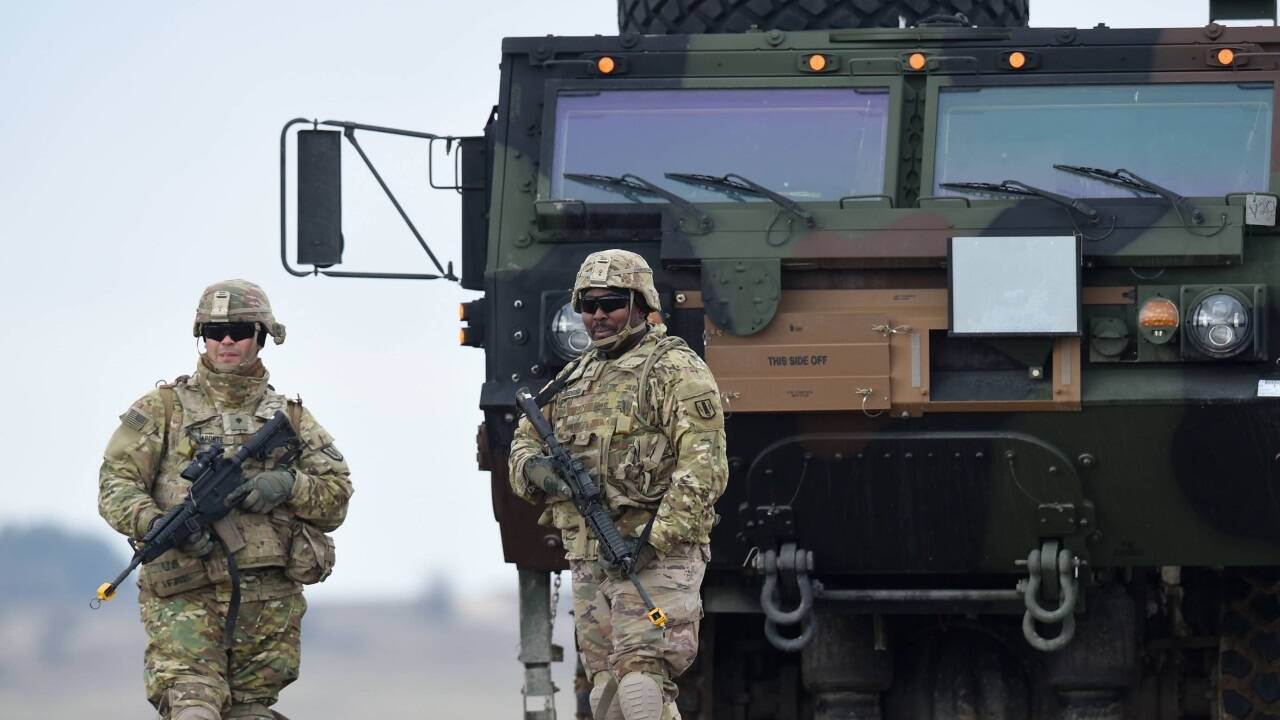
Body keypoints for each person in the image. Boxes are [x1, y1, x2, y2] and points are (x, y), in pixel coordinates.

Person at [98, 279, 352, 720]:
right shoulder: (163, 409)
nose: (227, 341)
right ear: (202, 339)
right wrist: (152, 522)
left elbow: (336, 498)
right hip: (184, 596)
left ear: (262, 336)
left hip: (266, 605)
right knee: (194, 705)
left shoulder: (290, 418)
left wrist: (287, 485)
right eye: (215, 332)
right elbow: (115, 485)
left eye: (238, 329)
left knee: (250, 714)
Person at [509, 250, 728, 720]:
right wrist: (538, 471)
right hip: (591, 557)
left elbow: (704, 469)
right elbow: (523, 446)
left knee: (641, 679)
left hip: (656, 553)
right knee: (606, 692)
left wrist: (652, 542)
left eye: (610, 304)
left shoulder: (673, 368)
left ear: (640, 302)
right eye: (586, 306)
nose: (597, 317)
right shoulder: (574, 375)